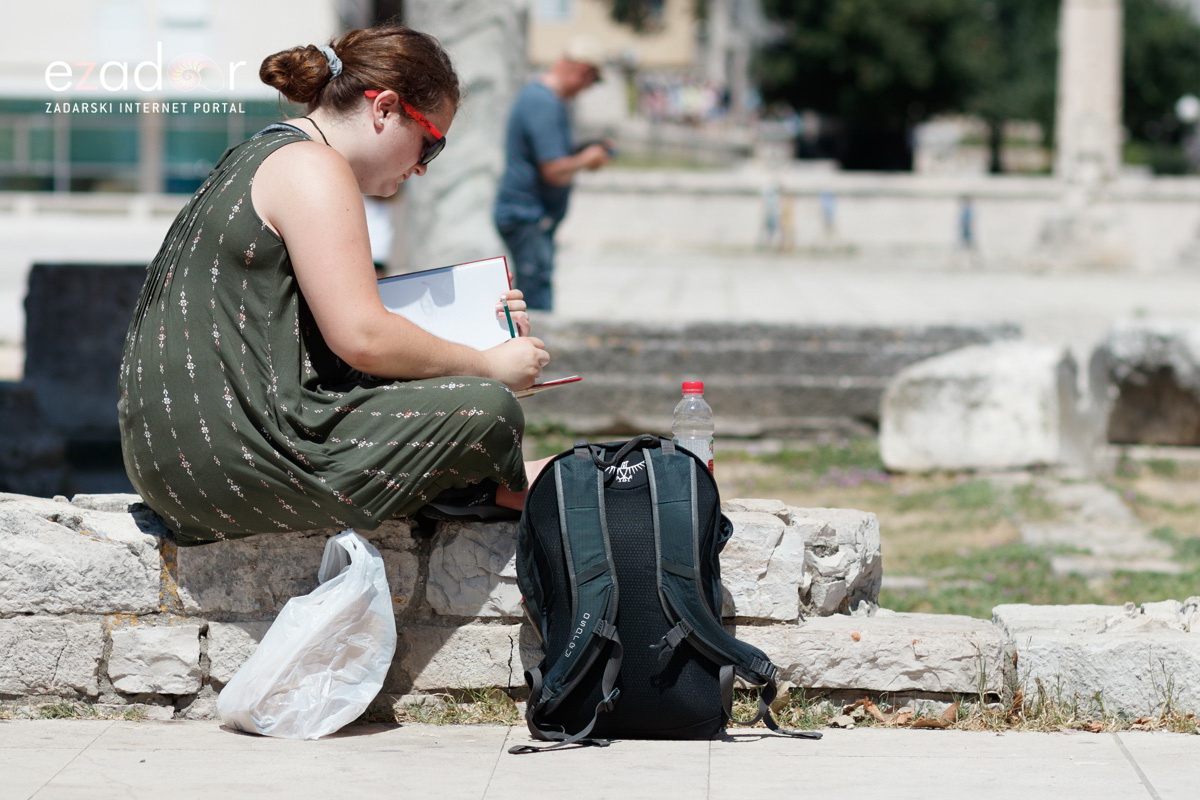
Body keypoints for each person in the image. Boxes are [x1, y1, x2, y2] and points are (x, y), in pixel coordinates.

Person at [117, 24, 552, 546]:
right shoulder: (314, 168)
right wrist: (489, 365)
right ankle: (494, 487)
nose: (421, 169)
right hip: (234, 463)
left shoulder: (263, 152)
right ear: (385, 108)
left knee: (464, 396)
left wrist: (478, 329)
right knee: (490, 408)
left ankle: (477, 485)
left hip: (181, 463)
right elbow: (361, 337)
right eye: (430, 144)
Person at [493, 37, 613, 312]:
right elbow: (553, 171)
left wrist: (584, 150)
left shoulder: (544, 98)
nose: (587, 90)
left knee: (533, 289)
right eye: (591, 82)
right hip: (526, 215)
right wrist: (586, 160)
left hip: (528, 215)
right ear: (582, 71)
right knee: (536, 300)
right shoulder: (543, 102)